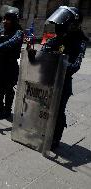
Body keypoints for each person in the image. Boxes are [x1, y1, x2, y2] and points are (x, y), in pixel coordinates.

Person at [41, 6, 89, 150]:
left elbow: (75, 65)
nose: (58, 28)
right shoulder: (59, 38)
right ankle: (43, 132)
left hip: (62, 83)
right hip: (48, 80)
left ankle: (55, 139)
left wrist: (60, 62)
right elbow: (45, 49)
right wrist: (35, 55)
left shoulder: (79, 41)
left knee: (58, 111)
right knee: (45, 109)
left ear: (73, 24)